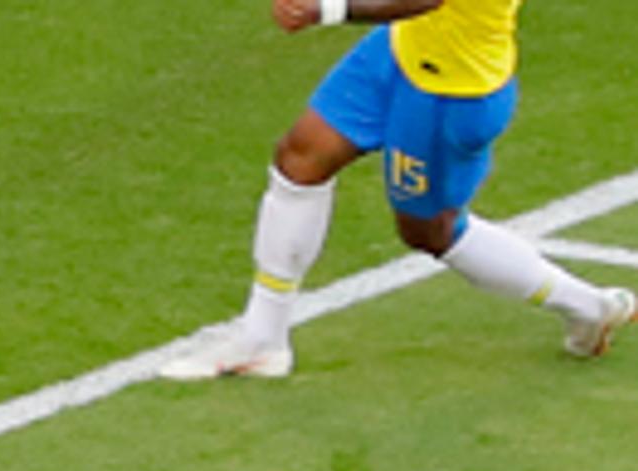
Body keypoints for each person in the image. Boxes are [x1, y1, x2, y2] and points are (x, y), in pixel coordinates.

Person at [161, 0, 633, 382]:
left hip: (451, 93)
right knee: (300, 157)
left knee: (430, 232)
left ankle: (590, 307)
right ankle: (262, 339)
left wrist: (328, 9)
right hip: (399, 52)